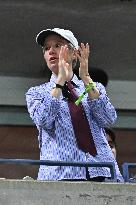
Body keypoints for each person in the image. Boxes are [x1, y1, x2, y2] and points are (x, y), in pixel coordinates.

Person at [26, 28, 124, 182]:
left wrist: (85, 78)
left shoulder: (94, 87)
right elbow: (44, 120)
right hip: (60, 176)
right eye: (46, 48)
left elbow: (108, 119)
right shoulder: (36, 93)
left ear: (74, 53)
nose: (51, 50)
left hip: (101, 172)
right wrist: (60, 82)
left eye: (58, 45)